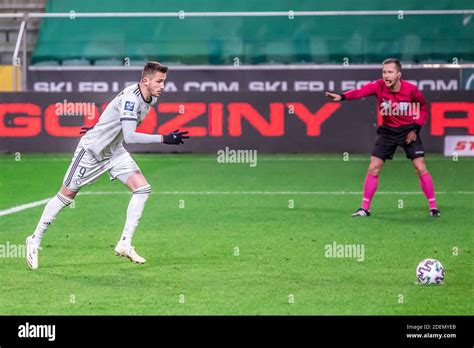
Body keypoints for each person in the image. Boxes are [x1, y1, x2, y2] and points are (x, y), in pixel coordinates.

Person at [26, 61, 189, 269]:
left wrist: (100, 126)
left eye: (164, 81)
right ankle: (34, 239)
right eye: (159, 81)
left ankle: (124, 244)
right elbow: (130, 135)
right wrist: (164, 138)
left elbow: (114, 112)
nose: (163, 86)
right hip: (92, 152)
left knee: (142, 189)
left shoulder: (150, 97)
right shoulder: (132, 99)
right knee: (66, 196)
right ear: (145, 80)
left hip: (114, 151)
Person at [325, 58, 440, 218]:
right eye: (384, 72)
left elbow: (423, 108)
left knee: (420, 167)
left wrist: (415, 128)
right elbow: (360, 92)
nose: (386, 75)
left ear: (399, 74)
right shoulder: (378, 86)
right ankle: (365, 208)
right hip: (387, 132)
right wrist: (342, 97)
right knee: (373, 168)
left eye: (390, 72)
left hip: (408, 131)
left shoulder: (411, 90)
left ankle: (433, 207)